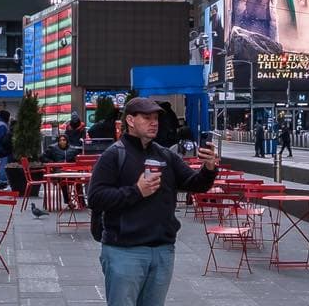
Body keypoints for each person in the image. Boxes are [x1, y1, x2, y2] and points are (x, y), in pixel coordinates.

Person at [86, 96, 219, 306]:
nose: (154, 122)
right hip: (124, 251)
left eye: (155, 117)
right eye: (147, 117)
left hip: (162, 250)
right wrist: (136, 191)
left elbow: (195, 184)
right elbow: (95, 198)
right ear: (130, 120)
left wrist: (209, 169)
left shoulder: (166, 155)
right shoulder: (113, 155)